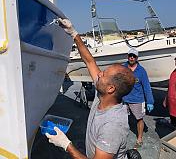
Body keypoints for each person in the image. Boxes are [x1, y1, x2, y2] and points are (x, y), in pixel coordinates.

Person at [46, 18, 136, 159]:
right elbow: (89, 61)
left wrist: (66, 145)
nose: (99, 73)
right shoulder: (102, 94)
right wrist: (73, 33)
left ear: (111, 89)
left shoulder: (112, 125)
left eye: (103, 75)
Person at [122, 48, 154, 149]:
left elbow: (147, 87)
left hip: (137, 100)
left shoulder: (141, 71)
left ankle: (139, 138)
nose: (131, 57)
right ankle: (122, 135)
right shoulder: (122, 67)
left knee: (139, 119)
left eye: (134, 56)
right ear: (127, 56)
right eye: (130, 55)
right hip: (123, 99)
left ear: (137, 58)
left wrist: (150, 101)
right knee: (122, 118)